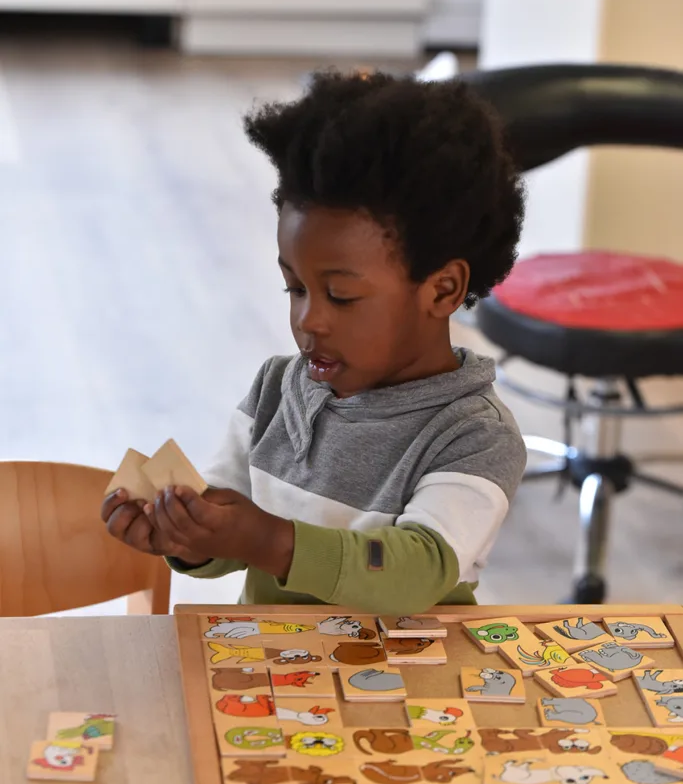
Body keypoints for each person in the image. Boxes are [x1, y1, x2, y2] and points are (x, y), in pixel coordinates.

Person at [102, 71, 526, 612]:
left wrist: (266, 540)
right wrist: (186, 532)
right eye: (295, 287)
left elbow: (417, 572)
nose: (309, 320)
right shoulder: (276, 389)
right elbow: (230, 523)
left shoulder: (472, 434)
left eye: (342, 297)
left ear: (442, 289)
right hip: (266, 679)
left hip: (414, 687)